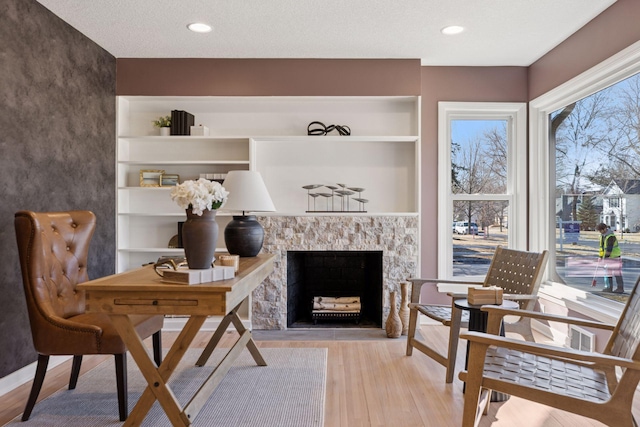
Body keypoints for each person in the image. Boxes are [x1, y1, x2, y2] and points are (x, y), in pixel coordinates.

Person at [596, 222, 624, 293]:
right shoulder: (602, 236)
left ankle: (620, 288)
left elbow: (609, 249)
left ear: (604, 229)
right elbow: (602, 248)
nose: (600, 232)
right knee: (608, 273)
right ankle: (609, 288)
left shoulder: (610, 236)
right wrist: (600, 257)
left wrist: (605, 258)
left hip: (615, 257)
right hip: (608, 258)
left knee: (617, 273)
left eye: (600, 230)